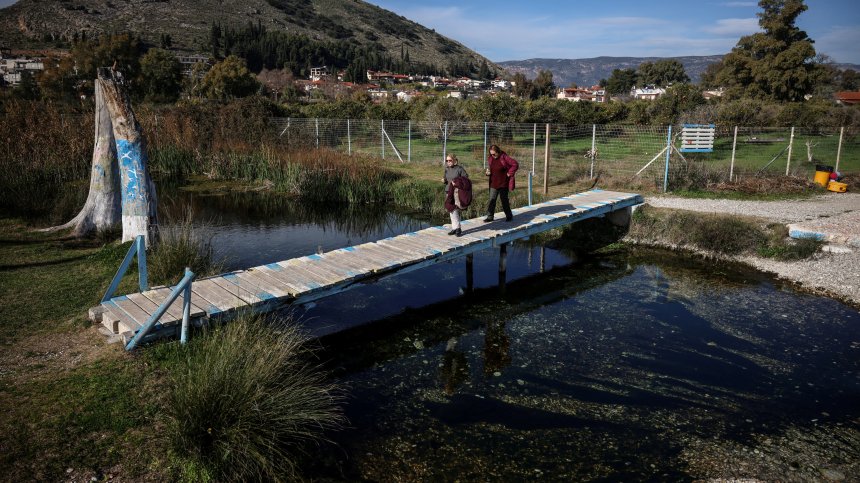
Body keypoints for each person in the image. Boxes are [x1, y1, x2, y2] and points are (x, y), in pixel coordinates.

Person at [483, 144, 518, 222]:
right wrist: (487, 173)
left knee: (504, 200)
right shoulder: (490, 158)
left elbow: (515, 164)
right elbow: (491, 169)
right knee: (492, 200)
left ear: (498, 152)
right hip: (493, 183)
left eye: (494, 154)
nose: (492, 155)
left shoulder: (504, 157)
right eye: (491, 154)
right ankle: (490, 216)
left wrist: (510, 172)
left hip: (503, 183)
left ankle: (509, 216)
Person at [443, 153, 469, 236]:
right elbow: (446, 179)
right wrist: (444, 181)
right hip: (448, 191)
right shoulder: (447, 169)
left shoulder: (459, 169)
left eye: (450, 160)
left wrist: (457, 183)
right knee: (451, 209)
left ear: (454, 161)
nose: (448, 162)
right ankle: (455, 228)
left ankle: (457, 228)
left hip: (457, 192)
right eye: (447, 161)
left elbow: (466, 179)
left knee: (455, 209)